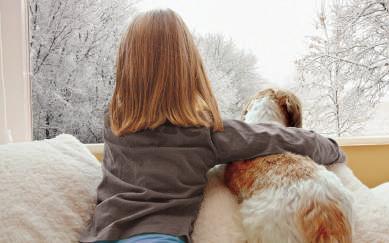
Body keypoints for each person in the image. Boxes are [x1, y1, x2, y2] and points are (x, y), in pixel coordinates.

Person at [79, 9, 345, 243]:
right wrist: (330, 148)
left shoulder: (115, 124)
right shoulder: (203, 133)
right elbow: (274, 136)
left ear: (127, 65)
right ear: (188, 67)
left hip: (100, 235)